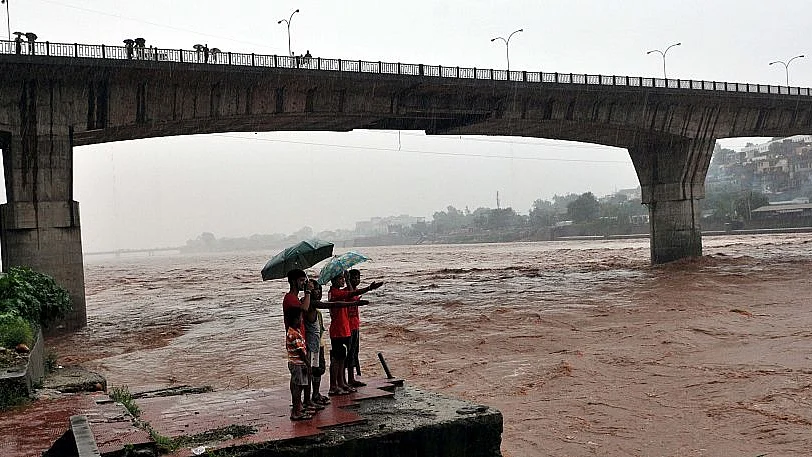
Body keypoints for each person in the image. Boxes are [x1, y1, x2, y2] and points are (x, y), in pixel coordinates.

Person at [327, 272, 381, 395]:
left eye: (343, 278)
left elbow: (351, 297)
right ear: (334, 280)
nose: (343, 281)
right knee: (337, 359)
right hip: (339, 330)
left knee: (342, 358)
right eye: (340, 279)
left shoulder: (337, 292)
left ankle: (342, 383)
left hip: (344, 329)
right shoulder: (336, 293)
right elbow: (351, 295)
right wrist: (368, 289)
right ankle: (335, 385)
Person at [345, 269, 383, 387]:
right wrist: (348, 282)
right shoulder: (346, 291)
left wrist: (370, 288)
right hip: (348, 327)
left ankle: (353, 377)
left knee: (354, 352)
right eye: (353, 278)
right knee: (349, 353)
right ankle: (348, 379)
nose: (356, 280)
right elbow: (351, 296)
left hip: (355, 325)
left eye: (358, 278)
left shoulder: (356, 290)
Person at [303, 279, 330, 407]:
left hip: (318, 343)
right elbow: (331, 305)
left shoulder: (317, 312)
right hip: (311, 345)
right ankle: (309, 399)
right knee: (312, 370)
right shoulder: (309, 305)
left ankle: (316, 394)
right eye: (315, 290)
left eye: (320, 290)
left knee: (318, 370)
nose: (318, 292)